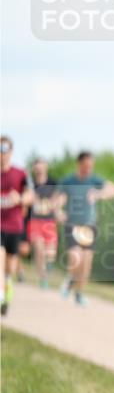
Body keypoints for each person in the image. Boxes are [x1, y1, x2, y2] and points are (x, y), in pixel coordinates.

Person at [59, 151, 114, 307]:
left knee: (86, 263)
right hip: (73, 224)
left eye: (90, 166)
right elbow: (58, 199)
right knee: (75, 256)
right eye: (85, 166)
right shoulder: (68, 181)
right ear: (79, 164)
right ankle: (71, 278)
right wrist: (58, 211)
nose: (88, 169)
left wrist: (99, 194)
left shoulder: (94, 180)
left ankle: (79, 293)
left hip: (89, 226)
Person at [1, 135, 33, 316]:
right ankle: (0, 296)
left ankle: (7, 287)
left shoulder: (21, 174)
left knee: (9, 267)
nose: (2, 155)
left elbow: (30, 196)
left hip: (14, 226)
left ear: (11, 152)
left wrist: (19, 198)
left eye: (5, 151)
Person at [26, 158, 64, 289]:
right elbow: (27, 199)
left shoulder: (53, 183)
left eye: (42, 167)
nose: (40, 169)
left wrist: (57, 208)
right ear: (34, 169)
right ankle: (43, 279)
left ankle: (47, 270)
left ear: (46, 168)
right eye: (37, 167)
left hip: (49, 222)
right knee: (39, 248)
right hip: (34, 221)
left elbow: (61, 198)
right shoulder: (30, 184)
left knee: (50, 254)